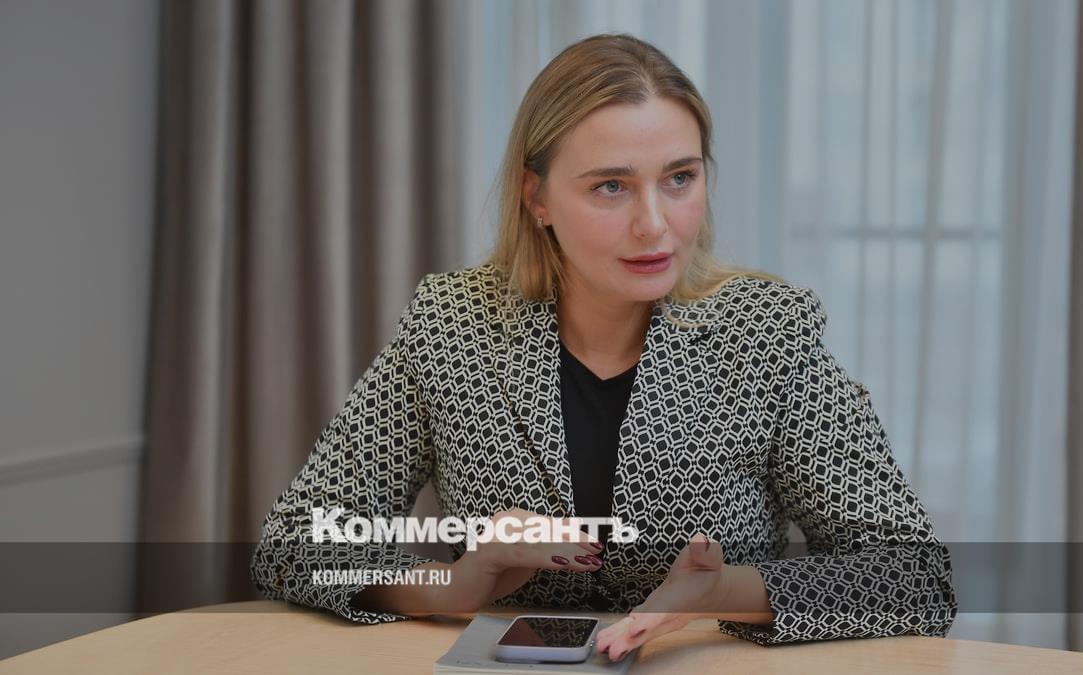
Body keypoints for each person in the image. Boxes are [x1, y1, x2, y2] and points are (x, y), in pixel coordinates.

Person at [251, 32, 956, 661]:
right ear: (537, 198)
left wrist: (719, 593)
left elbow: (915, 576)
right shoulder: (451, 324)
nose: (655, 225)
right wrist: (457, 583)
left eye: (679, 178)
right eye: (611, 186)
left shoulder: (767, 331)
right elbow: (295, 545)